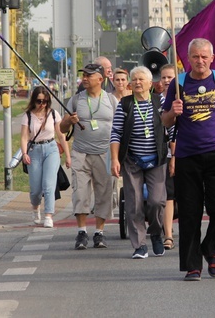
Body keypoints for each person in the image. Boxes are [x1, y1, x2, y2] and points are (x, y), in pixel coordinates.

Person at [161, 38, 215, 282]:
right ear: (188, 58)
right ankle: (192, 265)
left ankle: (211, 250)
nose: (200, 61)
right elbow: (165, 122)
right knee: (189, 213)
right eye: (195, 57)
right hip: (187, 156)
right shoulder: (178, 83)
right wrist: (172, 113)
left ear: (211, 57)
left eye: (204, 57)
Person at [110, 66, 169, 259]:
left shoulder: (159, 102)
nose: (137, 82)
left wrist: (174, 156)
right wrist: (114, 159)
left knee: (156, 202)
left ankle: (156, 233)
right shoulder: (125, 104)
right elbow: (116, 133)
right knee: (134, 204)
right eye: (134, 79)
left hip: (157, 160)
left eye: (141, 79)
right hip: (132, 160)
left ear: (150, 83)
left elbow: (172, 127)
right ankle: (139, 246)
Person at [60, 63, 117, 250]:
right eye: (83, 75)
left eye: (89, 75)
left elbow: (119, 127)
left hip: (104, 153)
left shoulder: (111, 100)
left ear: (100, 79)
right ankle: (82, 231)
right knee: (80, 193)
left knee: (104, 193)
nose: (84, 78)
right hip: (81, 153)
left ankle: (99, 233)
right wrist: (69, 120)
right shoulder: (76, 100)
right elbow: (62, 128)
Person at [20, 87, 71, 228]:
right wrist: (24, 153)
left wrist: (68, 155)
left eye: (45, 101)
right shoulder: (28, 116)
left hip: (51, 149)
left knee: (49, 184)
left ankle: (49, 215)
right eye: (39, 101)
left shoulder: (53, 114)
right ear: (34, 101)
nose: (42, 104)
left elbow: (61, 135)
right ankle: (35, 207)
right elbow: (24, 137)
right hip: (34, 150)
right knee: (36, 188)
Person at [154, 63, 178, 251]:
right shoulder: (156, 102)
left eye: (171, 77)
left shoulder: (183, 99)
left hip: (183, 152)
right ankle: (168, 234)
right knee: (168, 195)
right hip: (164, 154)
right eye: (164, 77)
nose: (167, 80)